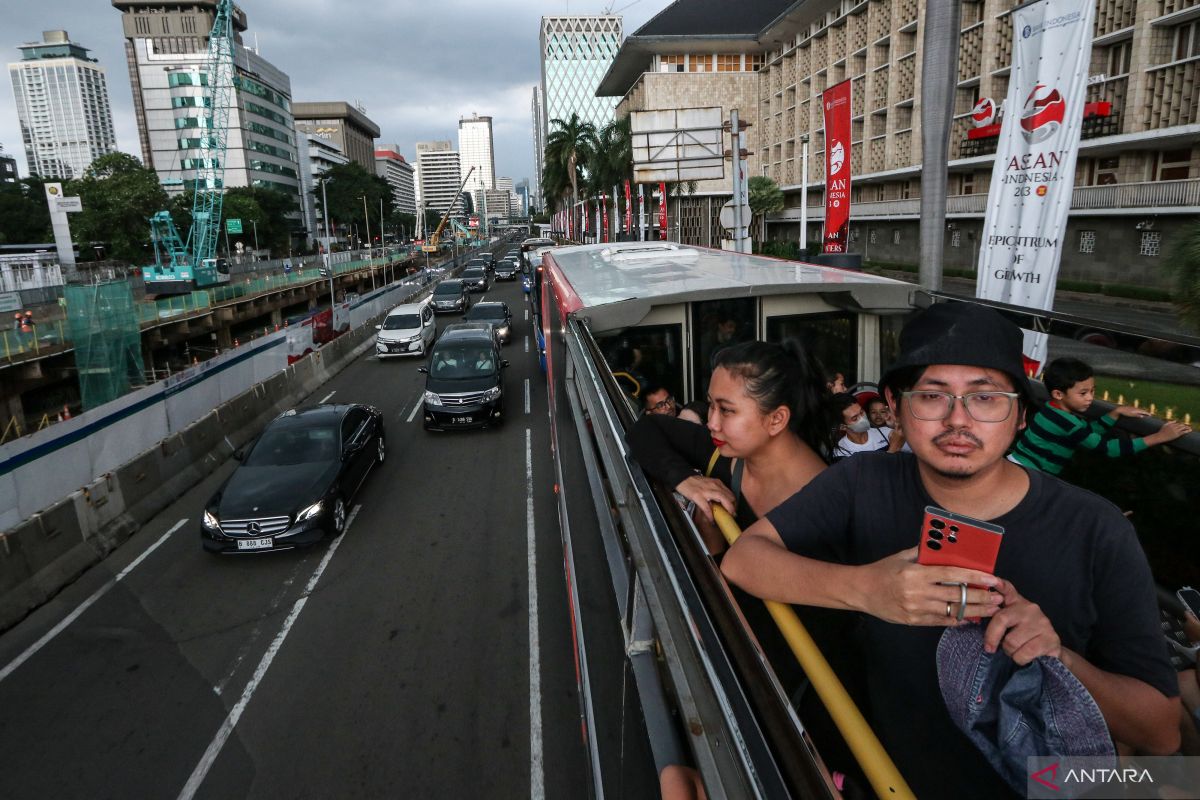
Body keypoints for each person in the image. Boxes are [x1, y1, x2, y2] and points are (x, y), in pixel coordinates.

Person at [721, 303, 1180, 798]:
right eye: (932, 397)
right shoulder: (863, 483)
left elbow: (1160, 732)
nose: (957, 420)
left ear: (1021, 415)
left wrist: (1058, 657)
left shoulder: (1095, 529)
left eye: (985, 398)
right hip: (893, 778)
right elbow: (744, 559)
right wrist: (867, 589)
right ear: (895, 407)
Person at [627, 339, 830, 555]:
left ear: (776, 419)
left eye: (726, 410)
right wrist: (685, 479)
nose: (711, 423)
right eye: (711, 405)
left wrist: (714, 550)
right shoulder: (723, 451)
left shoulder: (824, 507)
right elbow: (645, 429)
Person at [1011, 356, 1191, 475]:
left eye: (1092, 391)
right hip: (1027, 475)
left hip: (1019, 467)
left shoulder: (1052, 410)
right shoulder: (1066, 423)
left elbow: (1087, 432)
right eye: (1083, 393)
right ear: (1059, 394)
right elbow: (1109, 449)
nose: (1090, 398)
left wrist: (1115, 413)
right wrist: (1160, 437)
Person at [829, 392, 904, 459]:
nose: (862, 418)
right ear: (842, 426)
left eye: (861, 412)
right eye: (855, 418)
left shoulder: (884, 432)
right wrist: (893, 449)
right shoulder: (841, 452)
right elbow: (869, 474)